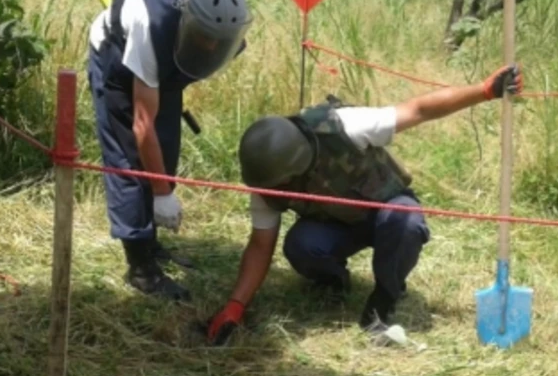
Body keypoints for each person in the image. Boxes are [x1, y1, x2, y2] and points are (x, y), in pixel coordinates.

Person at [205, 64, 523, 345]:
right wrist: (235, 306)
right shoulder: (267, 176)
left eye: (277, 186)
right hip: (335, 227)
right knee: (300, 246)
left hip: (384, 212)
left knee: (406, 221)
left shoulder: (345, 126)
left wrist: (484, 90)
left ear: (295, 169)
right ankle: (334, 283)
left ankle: (382, 300)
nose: (270, 192)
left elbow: (419, 109)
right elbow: (261, 246)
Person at [88, 0, 251, 302]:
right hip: (118, 60)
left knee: (164, 147)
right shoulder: (149, 24)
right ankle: (141, 269)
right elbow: (142, 126)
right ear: (187, 21)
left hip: (167, 61)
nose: (212, 46)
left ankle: (151, 243)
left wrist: (164, 185)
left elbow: (158, 134)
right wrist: (162, 195)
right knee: (131, 159)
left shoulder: (221, 9)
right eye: (206, 38)